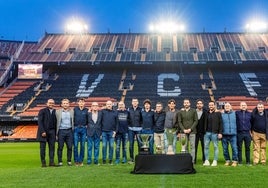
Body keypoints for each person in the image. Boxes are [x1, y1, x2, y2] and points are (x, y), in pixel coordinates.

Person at [176, 98, 198, 163]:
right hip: (183, 132)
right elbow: (179, 122)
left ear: (189, 103)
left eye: (187, 103)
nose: (186, 104)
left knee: (192, 147)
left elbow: (196, 121)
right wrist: (183, 129)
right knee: (184, 147)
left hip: (192, 132)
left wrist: (190, 129)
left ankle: (192, 161)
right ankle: (185, 161)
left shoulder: (194, 111)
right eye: (185, 103)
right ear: (183, 104)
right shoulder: (180, 112)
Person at [37, 99, 57, 167]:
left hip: (52, 131)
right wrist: (42, 131)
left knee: (52, 148)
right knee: (43, 148)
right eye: (50, 103)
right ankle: (43, 163)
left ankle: (51, 162)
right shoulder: (42, 111)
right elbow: (40, 122)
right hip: (43, 132)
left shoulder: (55, 111)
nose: (51, 104)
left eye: (52, 103)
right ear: (46, 103)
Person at [203, 101, 223, 167]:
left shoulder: (218, 113)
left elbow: (221, 124)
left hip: (215, 133)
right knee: (206, 147)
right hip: (207, 133)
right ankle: (207, 160)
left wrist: (220, 133)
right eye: (209, 105)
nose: (211, 106)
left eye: (212, 105)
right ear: (208, 106)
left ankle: (215, 161)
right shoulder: (206, 113)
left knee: (215, 147)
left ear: (214, 106)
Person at [56, 98, 74, 166]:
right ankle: (60, 161)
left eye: (66, 103)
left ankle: (69, 161)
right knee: (60, 147)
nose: (65, 104)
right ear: (61, 104)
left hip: (69, 131)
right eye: (64, 103)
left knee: (70, 147)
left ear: (69, 104)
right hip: (61, 131)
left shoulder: (72, 111)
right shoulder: (57, 112)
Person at [101, 100, 118, 165]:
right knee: (104, 145)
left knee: (111, 146)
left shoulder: (115, 112)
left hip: (112, 132)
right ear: (106, 105)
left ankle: (110, 159)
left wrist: (115, 131)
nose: (109, 105)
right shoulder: (102, 112)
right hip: (104, 131)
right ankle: (104, 159)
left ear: (112, 105)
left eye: (110, 104)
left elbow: (117, 123)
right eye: (107, 104)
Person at [221, 102, 238, 167]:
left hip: (233, 134)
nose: (227, 107)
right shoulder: (222, 114)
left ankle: (234, 161)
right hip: (224, 134)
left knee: (234, 148)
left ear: (231, 107)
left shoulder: (235, 114)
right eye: (226, 106)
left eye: (228, 106)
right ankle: (227, 160)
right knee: (225, 149)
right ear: (224, 107)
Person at [73, 98, 88, 166]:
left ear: (84, 103)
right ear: (78, 103)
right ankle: (76, 160)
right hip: (76, 129)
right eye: (80, 102)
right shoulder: (75, 110)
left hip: (83, 129)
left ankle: (81, 160)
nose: (81, 103)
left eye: (82, 102)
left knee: (82, 145)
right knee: (75, 145)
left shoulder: (87, 110)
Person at [128, 98, 143, 163]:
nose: (134, 102)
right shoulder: (129, 109)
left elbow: (142, 118)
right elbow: (127, 118)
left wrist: (141, 126)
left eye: (136, 101)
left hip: (139, 129)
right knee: (131, 144)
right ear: (132, 103)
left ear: (138, 102)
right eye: (133, 101)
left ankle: (140, 158)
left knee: (140, 144)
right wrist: (128, 126)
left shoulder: (141, 109)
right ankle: (132, 158)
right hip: (131, 129)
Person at [195, 99, 207, 164]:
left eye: (200, 103)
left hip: (203, 132)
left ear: (202, 104)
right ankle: (194, 160)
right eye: (198, 103)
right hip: (195, 132)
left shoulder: (205, 112)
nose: (199, 105)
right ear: (196, 105)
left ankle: (204, 160)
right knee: (195, 147)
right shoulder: (194, 111)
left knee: (204, 147)